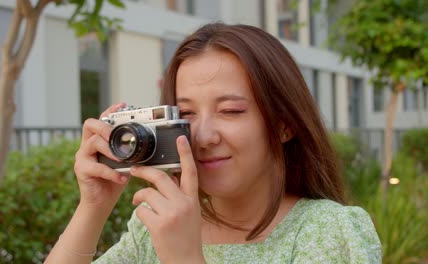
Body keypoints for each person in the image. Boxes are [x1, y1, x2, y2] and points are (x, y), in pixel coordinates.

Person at [44, 23, 381, 263]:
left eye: (230, 111)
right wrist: (93, 207)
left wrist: (185, 258)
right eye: (186, 113)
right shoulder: (155, 222)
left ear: (284, 124)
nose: (203, 137)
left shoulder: (327, 231)